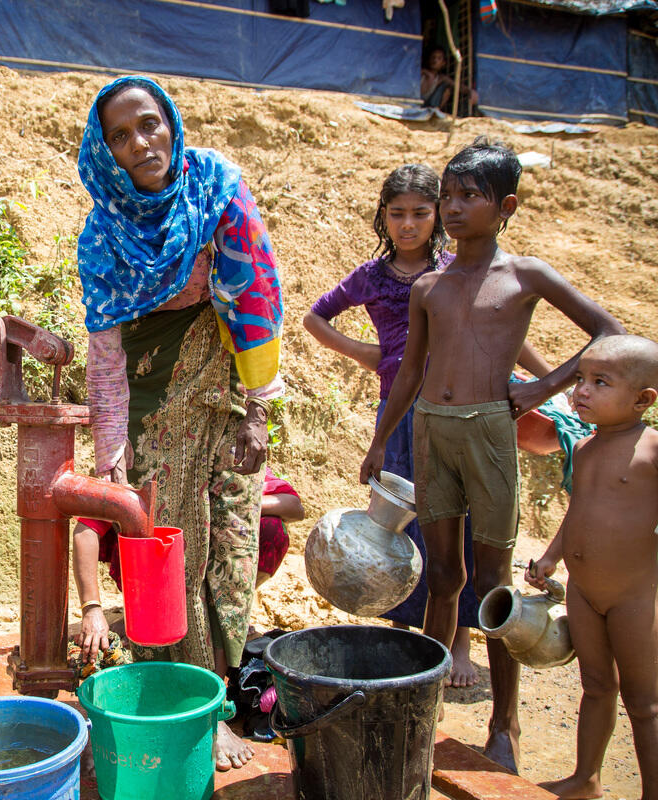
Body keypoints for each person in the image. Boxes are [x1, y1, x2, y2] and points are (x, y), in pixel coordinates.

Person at [359, 137, 625, 772]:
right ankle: (422, 712)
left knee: (493, 583)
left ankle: (504, 724)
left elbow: (609, 331)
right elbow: (409, 371)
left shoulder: (524, 276)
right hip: (430, 431)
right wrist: (378, 442)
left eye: (468, 197)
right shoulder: (429, 285)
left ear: (505, 206)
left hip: (488, 434)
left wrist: (543, 387)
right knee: (441, 577)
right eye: (447, 195)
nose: (452, 208)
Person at [76, 75, 284, 771]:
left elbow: (254, 293)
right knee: (172, 551)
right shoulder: (103, 233)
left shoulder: (215, 187)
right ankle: (181, 703)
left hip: (229, 393)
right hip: (154, 400)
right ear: (105, 152)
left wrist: (257, 410)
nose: (140, 142)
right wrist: (111, 449)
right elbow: (104, 356)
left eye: (149, 123)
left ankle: (224, 693)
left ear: (171, 121)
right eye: (121, 135)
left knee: (231, 548)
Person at [304, 164, 550, 688]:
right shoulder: (373, 277)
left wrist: (548, 379)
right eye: (398, 214)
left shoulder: (451, 268)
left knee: (454, 530)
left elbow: (504, 325)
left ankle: (458, 639)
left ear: (437, 214)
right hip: (399, 411)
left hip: (458, 408)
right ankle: (402, 634)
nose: (409, 223)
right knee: (399, 526)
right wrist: (372, 355)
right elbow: (316, 316)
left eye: (420, 212)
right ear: (383, 218)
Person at [526, 334, 658, 800]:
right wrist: (550, 556)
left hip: (635, 598)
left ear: (643, 400)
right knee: (597, 686)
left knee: (644, 704)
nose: (582, 390)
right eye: (580, 379)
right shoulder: (582, 448)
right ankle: (587, 779)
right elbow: (577, 511)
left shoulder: (652, 451)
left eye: (600, 382)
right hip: (584, 591)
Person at [72, 466, 302, 662]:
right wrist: (91, 609)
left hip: (212, 571)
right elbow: (86, 529)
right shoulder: (133, 463)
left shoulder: (229, 462)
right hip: (152, 569)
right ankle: (141, 614)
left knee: (271, 530)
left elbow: (293, 506)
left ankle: (224, 612)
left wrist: (235, 507)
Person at [421, 46, 479, 110]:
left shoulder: (441, 78)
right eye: (433, 57)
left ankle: (436, 110)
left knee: (447, 89)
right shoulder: (422, 72)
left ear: (443, 63)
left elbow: (458, 86)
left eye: (439, 58)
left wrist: (470, 91)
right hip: (417, 101)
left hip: (429, 105)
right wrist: (428, 74)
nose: (435, 60)